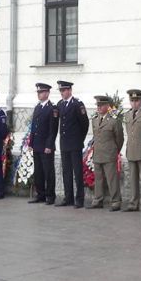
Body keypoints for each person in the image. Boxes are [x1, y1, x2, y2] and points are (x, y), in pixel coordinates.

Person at [55, 80, 89, 208]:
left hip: (75, 143)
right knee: (66, 171)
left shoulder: (77, 104)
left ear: (69, 90)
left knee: (77, 172)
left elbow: (85, 124)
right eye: (61, 91)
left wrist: (80, 139)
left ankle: (79, 199)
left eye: (64, 90)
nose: (62, 93)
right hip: (64, 143)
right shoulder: (60, 105)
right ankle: (68, 197)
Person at [89, 95, 125, 210]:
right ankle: (98, 199)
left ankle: (116, 201)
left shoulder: (114, 120)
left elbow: (120, 138)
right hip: (98, 153)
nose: (99, 107)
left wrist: (115, 150)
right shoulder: (95, 119)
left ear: (107, 106)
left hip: (109, 153)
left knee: (112, 179)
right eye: (98, 105)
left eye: (101, 105)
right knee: (98, 179)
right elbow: (95, 137)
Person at [123, 89, 141, 213]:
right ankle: (133, 202)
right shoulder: (127, 115)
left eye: (137, 100)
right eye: (132, 101)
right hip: (131, 150)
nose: (134, 103)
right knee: (133, 179)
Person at [29, 83, 58, 204]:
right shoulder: (37, 107)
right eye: (38, 92)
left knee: (48, 172)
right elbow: (34, 128)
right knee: (38, 172)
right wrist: (31, 143)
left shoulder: (52, 109)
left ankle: (50, 196)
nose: (39, 94)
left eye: (41, 92)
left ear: (47, 93)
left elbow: (53, 130)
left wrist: (49, 145)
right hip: (37, 145)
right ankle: (40, 194)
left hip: (46, 146)